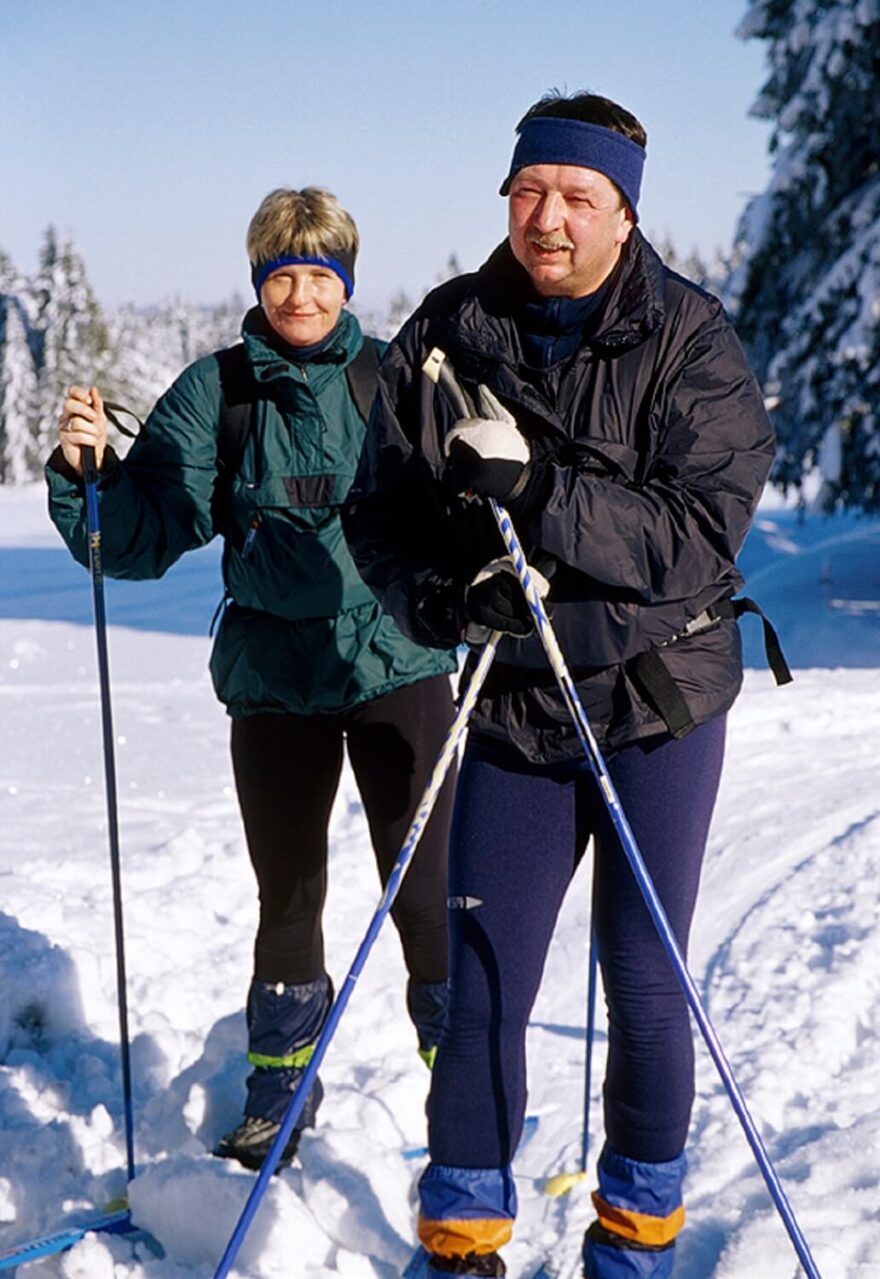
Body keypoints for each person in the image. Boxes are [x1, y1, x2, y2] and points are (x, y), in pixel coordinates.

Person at [343, 93, 778, 1277]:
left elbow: (696, 532)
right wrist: (450, 599)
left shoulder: (690, 339)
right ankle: (463, 1235)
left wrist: (536, 493)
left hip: (653, 700)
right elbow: (380, 514)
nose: (548, 218)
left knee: (643, 981)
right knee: (481, 983)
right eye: (529, 192)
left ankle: (634, 1234)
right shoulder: (446, 333)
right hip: (514, 700)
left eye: (578, 198)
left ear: (623, 214)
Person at [46, 186, 458, 1172]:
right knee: (289, 893)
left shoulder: (391, 378)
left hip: (396, 663)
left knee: (427, 892)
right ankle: (280, 1087)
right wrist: (87, 478)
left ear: (346, 282)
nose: (301, 293)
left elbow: (461, 502)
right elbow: (144, 535)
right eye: (283, 273)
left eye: (320, 274)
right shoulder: (216, 394)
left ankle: (465, 1084)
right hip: (274, 680)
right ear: (259, 280)